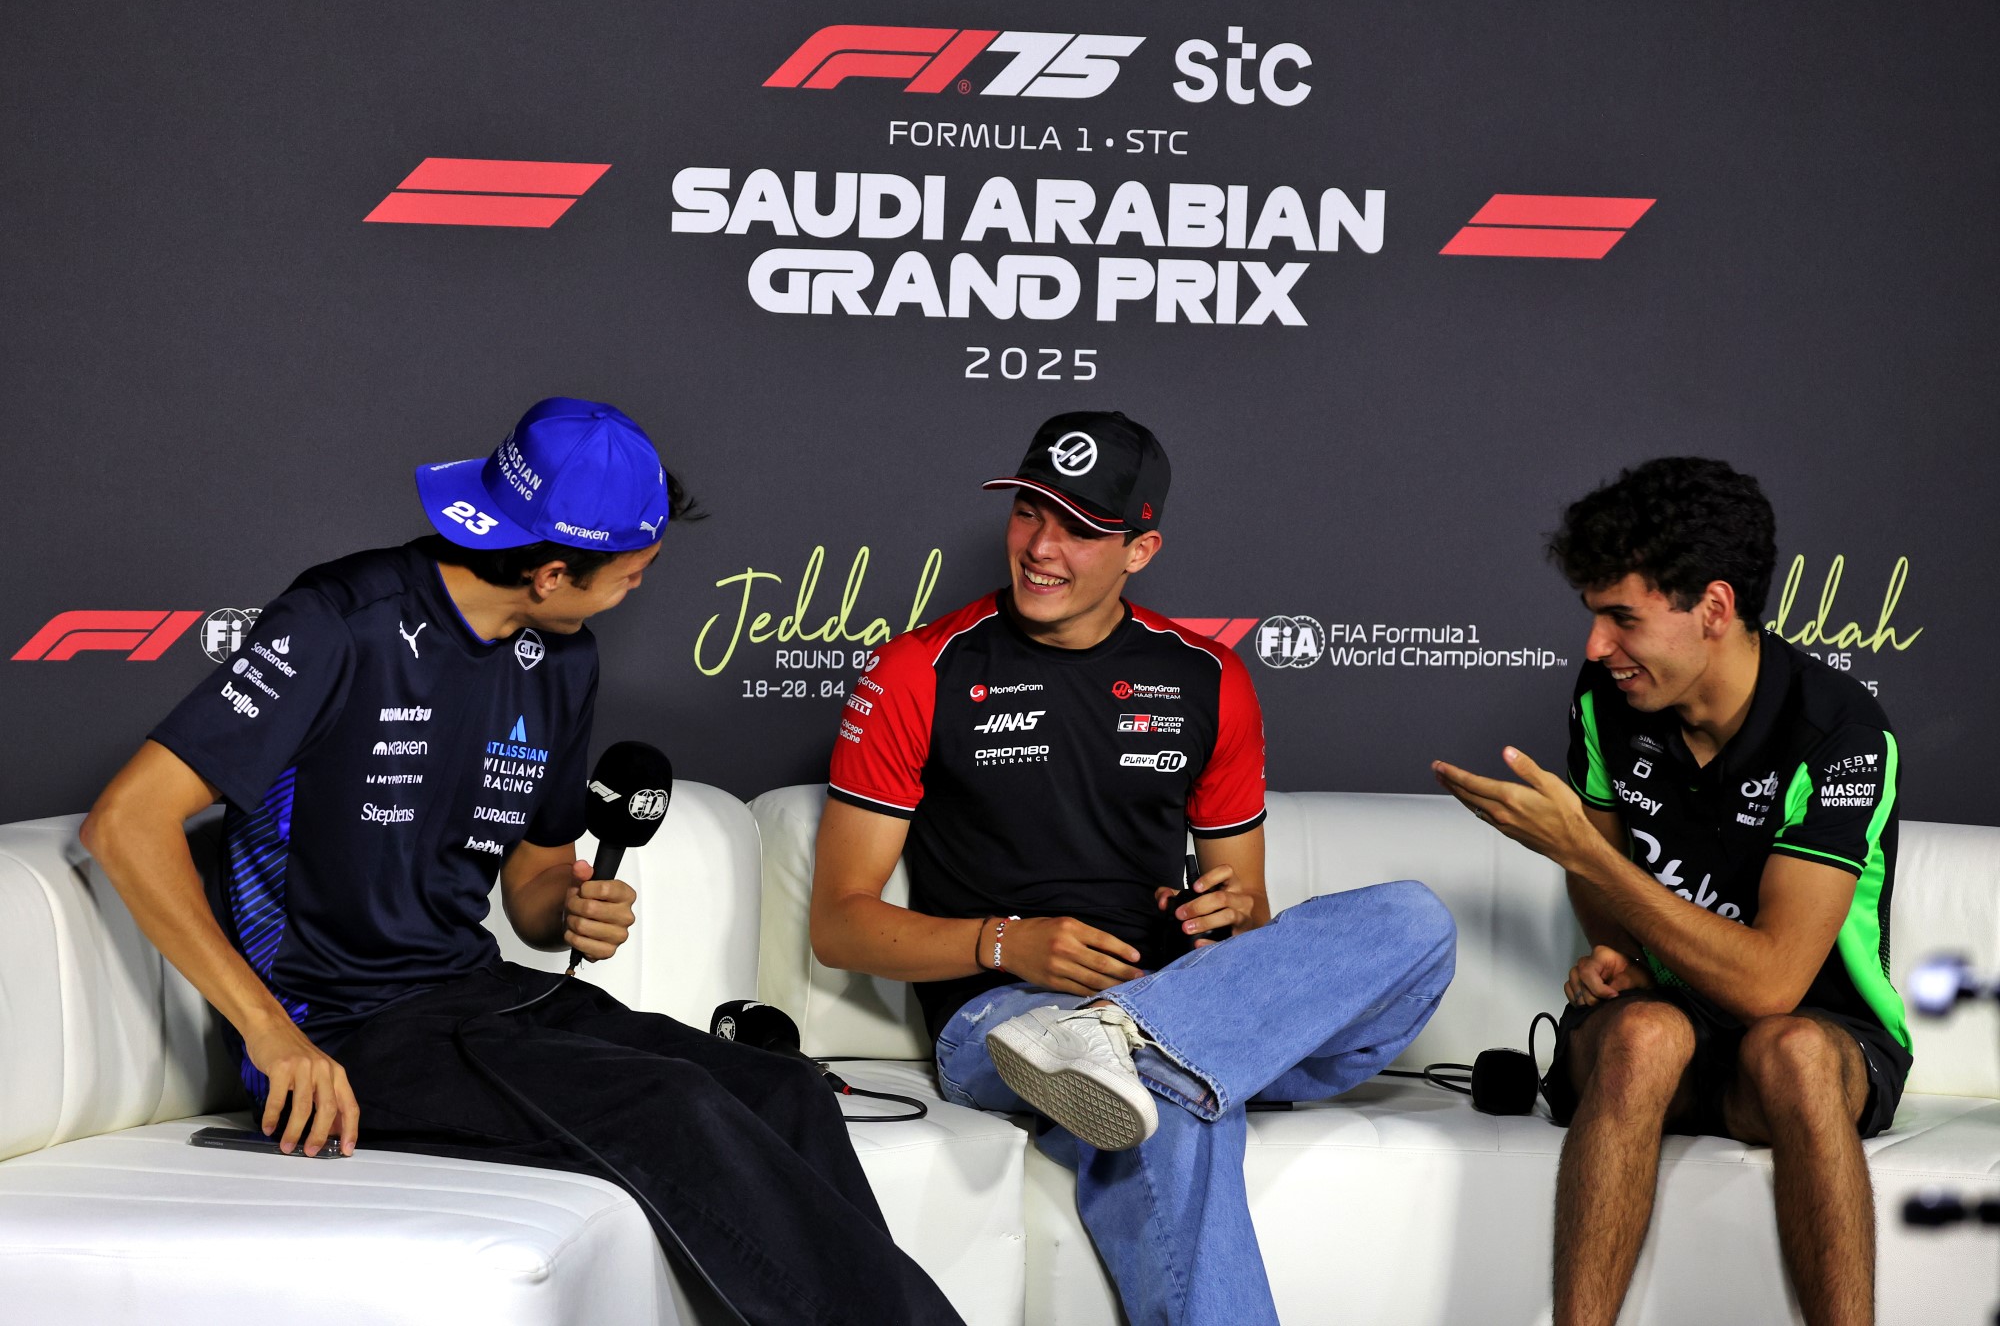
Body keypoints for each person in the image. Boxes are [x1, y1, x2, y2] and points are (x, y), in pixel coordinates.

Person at [80, 397, 963, 1326]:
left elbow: (535, 880)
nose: (637, 589)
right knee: (676, 1107)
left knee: (784, 1089)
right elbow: (126, 823)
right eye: (631, 574)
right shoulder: (340, 621)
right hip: (338, 1027)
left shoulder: (563, 661)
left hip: (479, 994)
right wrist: (270, 1032)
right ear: (549, 571)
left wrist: (568, 908)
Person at [811, 410, 1458, 1326]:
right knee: (1169, 1094)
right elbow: (838, 923)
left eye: (1078, 527)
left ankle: (1129, 1032)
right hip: (1005, 1019)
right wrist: (1008, 944)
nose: (1041, 546)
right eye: (1030, 511)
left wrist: (1224, 920)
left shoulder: (1207, 676)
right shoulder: (922, 669)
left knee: (1416, 921)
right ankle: (1125, 1045)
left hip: (1177, 989)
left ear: (1140, 549)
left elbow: (1251, 913)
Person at [1433, 457, 1909, 1326]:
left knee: (1792, 1051)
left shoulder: (1839, 731)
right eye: (1592, 617)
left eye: (1622, 618)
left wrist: (1583, 851)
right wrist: (1615, 950)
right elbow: (1605, 892)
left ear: (1714, 609)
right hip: (1660, 1024)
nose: (1595, 649)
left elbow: (1772, 986)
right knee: (1645, 1032)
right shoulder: (1607, 701)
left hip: (1818, 1037)